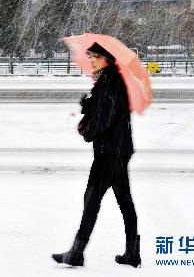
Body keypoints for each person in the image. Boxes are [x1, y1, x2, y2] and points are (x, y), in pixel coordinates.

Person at [52, 42, 141, 268]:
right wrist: (89, 105)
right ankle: (132, 253)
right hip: (116, 150)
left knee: (92, 200)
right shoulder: (108, 80)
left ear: (107, 59)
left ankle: (77, 252)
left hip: (110, 152)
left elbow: (106, 117)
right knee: (124, 202)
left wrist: (88, 131)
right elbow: (104, 109)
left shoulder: (111, 82)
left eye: (94, 57)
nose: (91, 60)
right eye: (90, 56)